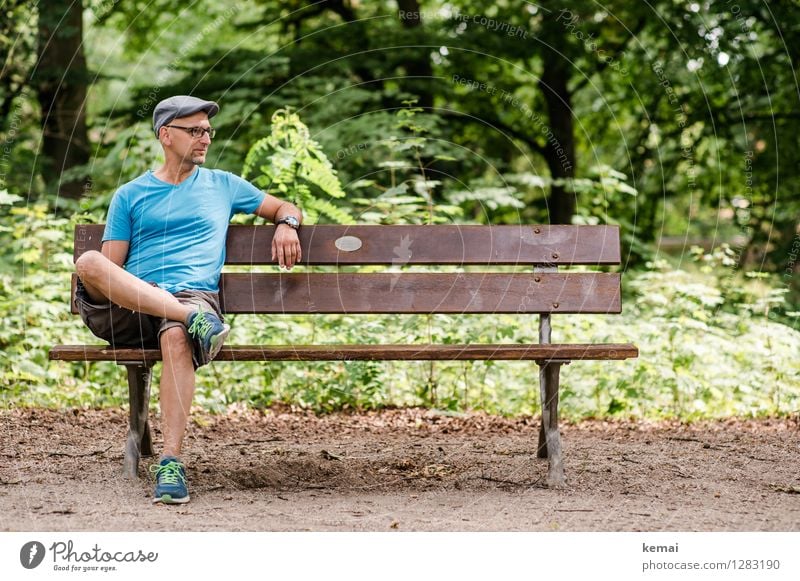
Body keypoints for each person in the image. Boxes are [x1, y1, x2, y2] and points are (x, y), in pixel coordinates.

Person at [74, 95, 302, 504]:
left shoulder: (224, 185)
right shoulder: (130, 194)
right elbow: (110, 270)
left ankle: (171, 463)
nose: (205, 139)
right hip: (132, 303)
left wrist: (286, 224)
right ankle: (189, 317)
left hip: (193, 296)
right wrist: (154, 295)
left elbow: (285, 206)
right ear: (166, 135)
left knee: (177, 333)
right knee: (89, 261)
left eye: (208, 132)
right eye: (194, 131)